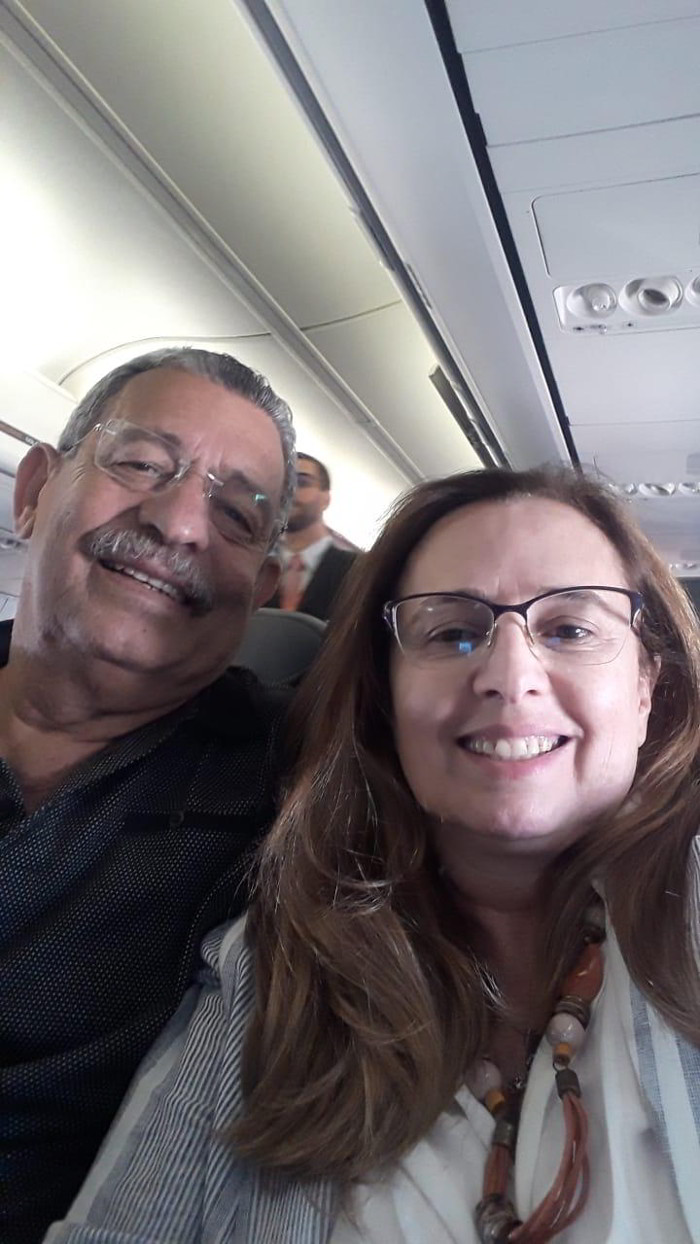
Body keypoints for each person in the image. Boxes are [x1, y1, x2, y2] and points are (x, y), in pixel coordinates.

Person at [46, 467, 700, 1244]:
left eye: (569, 630)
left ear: (646, 689)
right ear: (385, 699)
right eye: (451, 632)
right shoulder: (272, 970)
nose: (510, 676)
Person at [1, 346, 298, 1244]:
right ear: (33, 491)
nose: (178, 523)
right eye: (139, 464)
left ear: (262, 591)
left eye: (237, 513)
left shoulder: (294, 791)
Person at [269, 452, 357, 620]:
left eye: (302, 482)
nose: (289, 491)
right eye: (283, 483)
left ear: (326, 499)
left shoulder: (355, 570)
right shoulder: (258, 563)